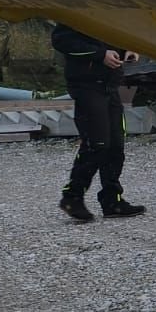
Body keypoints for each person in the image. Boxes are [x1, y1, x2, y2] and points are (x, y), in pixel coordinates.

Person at [51, 21, 147, 221]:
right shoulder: (74, 11)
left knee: (115, 146)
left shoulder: (110, 11)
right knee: (97, 144)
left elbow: (117, 34)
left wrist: (127, 49)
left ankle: (112, 200)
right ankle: (72, 197)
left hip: (110, 85)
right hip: (86, 85)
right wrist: (100, 55)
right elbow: (61, 41)